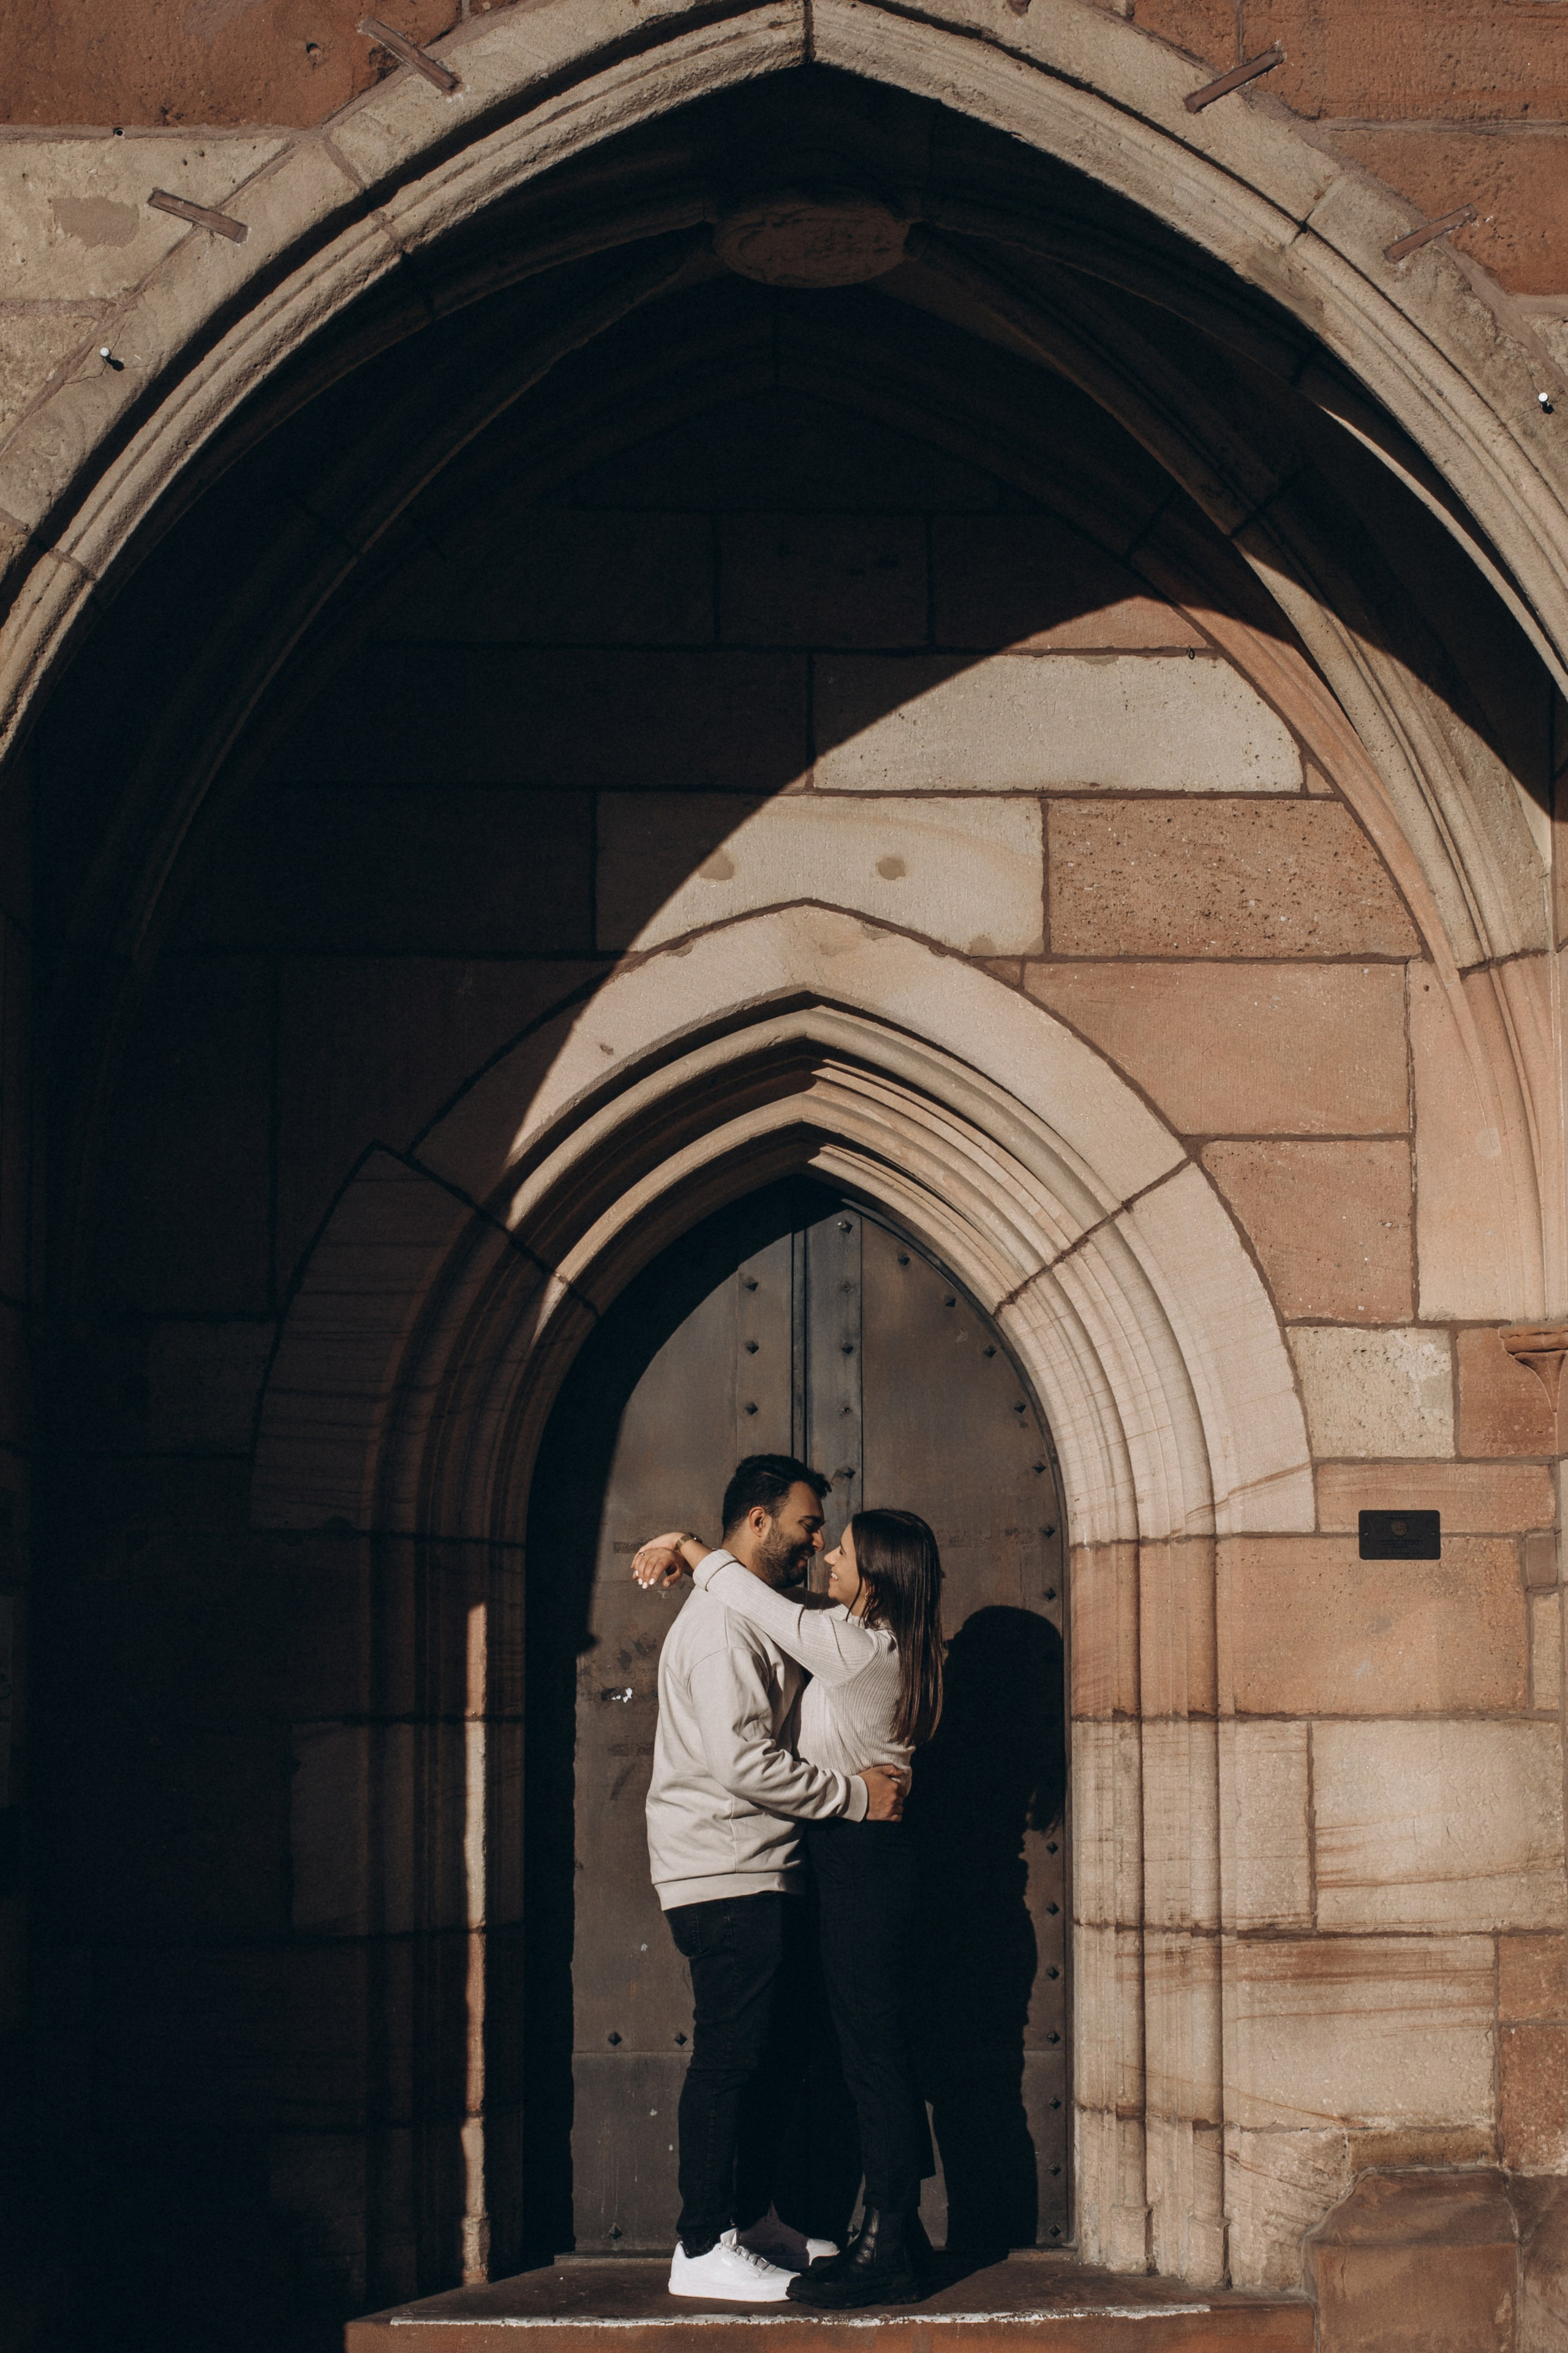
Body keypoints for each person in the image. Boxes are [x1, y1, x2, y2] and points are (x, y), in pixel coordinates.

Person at [636, 1504, 945, 2310]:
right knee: (863, 2043)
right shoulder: (880, 1639)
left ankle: (886, 2246)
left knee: (870, 2051)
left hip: (859, 1862)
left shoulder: (851, 1645)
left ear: (874, 1578)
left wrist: (689, 1543)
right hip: (857, 1863)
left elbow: (766, 1604)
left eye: (840, 1549)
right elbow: (779, 1609)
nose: (826, 1555)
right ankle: (895, 2233)